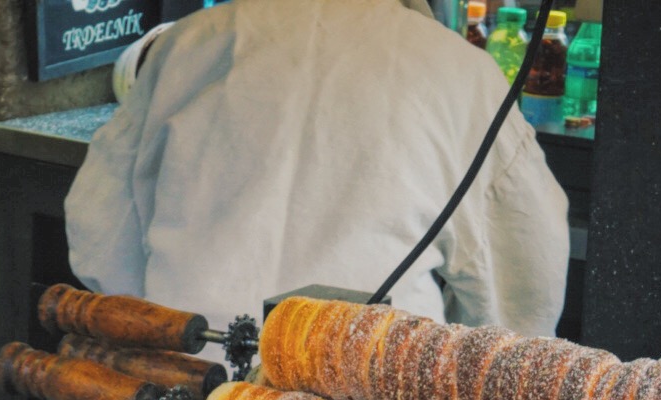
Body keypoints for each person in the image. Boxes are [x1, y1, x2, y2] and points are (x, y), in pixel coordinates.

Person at [64, 0, 571, 342]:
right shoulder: (460, 72)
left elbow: (102, 236)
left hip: (180, 398)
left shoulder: (192, 43)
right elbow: (523, 288)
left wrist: (179, 323)